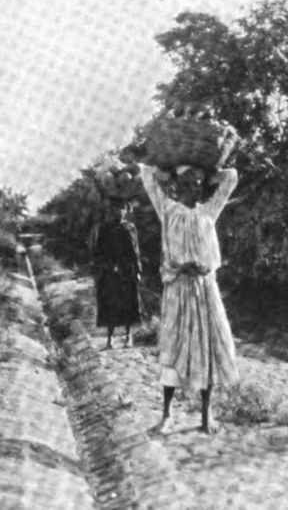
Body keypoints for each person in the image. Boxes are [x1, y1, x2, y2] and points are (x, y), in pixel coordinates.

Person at [139, 162, 239, 434]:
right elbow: (147, 175)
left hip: (204, 288)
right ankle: (167, 414)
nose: (190, 189)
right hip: (178, 288)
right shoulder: (168, 210)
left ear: (202, 188)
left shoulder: (209, 211)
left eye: (195, 184)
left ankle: (207, 415)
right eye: (184, 184)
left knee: (208, 346)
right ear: (176, 186)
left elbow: (231, 178)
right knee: (173, 346)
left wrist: (206, 172)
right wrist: (172, 171)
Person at [92, 196, 143, 349]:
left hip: (127, 271)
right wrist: (107, 266)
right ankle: (110, 339)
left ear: (127, 211)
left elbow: (136, 251)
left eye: (123, 208)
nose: (120, 212)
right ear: (112, 210)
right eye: (117, 208)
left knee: (129, 303)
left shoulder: (131, 228)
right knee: (110, 304)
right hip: (110, 271)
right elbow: (98, 251)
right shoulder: (105, 228)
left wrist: (138, 269)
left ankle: (128, 337)